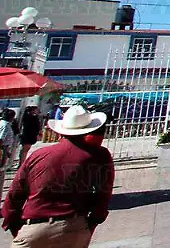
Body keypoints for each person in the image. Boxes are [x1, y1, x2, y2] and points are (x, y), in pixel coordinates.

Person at [1, 105, 114, 248]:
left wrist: (14, 225)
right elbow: (104, 194)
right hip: (74, 226)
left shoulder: (39, 155)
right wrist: (92, 223)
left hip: (34, 226)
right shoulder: (99, 155)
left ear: (61, 132)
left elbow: (15, 193)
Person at [0, 111, 17, 189]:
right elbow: (1, 140)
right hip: (3, 150)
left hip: (4, 149)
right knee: (1, 171)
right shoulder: (6, 125)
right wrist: (6, 152)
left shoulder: (2, 123)